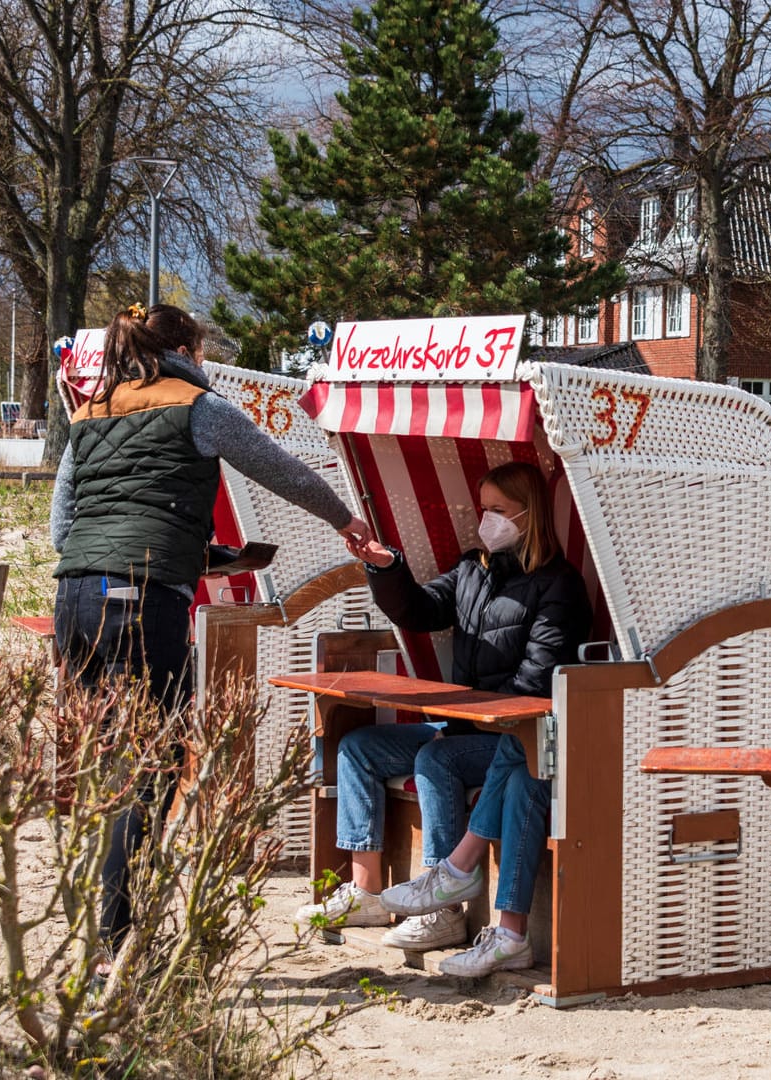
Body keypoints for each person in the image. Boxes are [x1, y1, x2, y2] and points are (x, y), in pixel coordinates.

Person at [50, 302, 373, 960]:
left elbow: (64, 529)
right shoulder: (196, 404)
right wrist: (347, 521)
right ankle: (119, 945)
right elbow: (280, 468)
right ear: (186, 349)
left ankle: (94, 928)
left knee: (100, 764)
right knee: (152, 767)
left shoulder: (89, 412)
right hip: (139, 604)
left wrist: (197, 553)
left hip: (74, 598)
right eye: (200, 349)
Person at [294, 461, 588, 974]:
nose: (486, 521)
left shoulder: (557, 585)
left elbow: (538, 680)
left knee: (438, 757)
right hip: (467, 727)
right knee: (359, 746)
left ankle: (444, 901)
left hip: (507, 733)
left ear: (528, 514)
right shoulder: (473, 568)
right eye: (483, 509)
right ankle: (365, 893)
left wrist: (482, 714)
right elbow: (419, 611)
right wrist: (386, 566)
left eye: (497, 510)